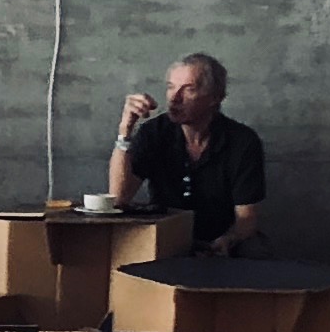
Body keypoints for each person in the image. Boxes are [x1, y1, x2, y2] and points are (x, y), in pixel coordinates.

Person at [108, 51, 267, 254]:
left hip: (222, 239)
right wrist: (125, 131)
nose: (175, 98)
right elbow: (118, 199)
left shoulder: (242, 141)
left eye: (189, 89)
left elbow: (246, 219)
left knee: (255, 249)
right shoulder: (154, 132)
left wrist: (228, 239)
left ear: (215, 97)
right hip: (164, 235)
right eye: (171, 87)